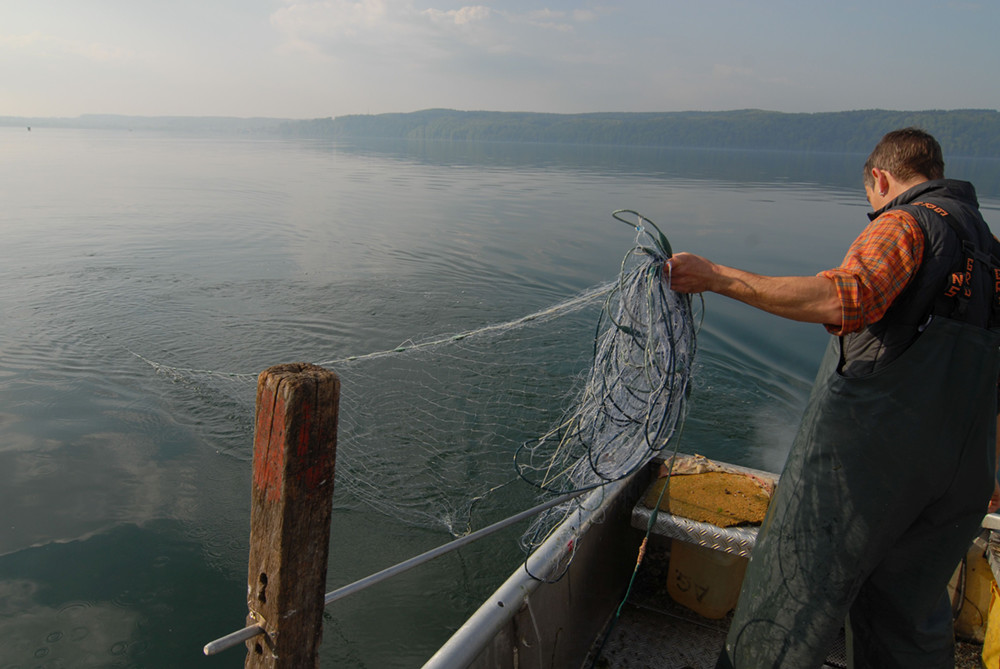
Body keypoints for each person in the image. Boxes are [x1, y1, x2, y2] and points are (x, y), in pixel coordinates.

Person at [666, 128, 1000, 668]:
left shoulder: (905, 222)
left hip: (874, 461)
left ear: (880, 178)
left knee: (792, 588)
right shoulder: (991, 252)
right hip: (963, 475)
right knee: (907, 616)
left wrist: (716, 276)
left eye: (870, 194)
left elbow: (847, 297)